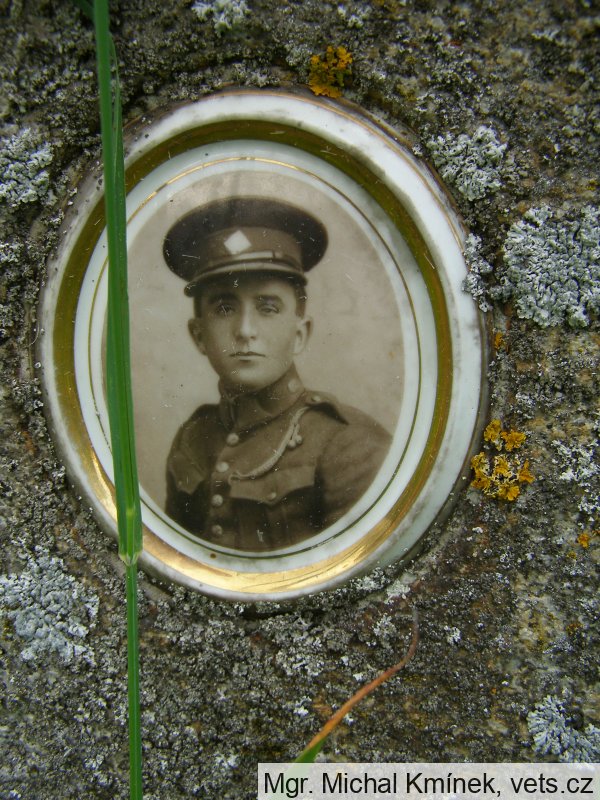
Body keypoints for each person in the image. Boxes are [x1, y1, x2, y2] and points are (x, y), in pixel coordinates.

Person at [163, 197, 391, 552]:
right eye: (224, 308)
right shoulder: (193, 438)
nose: (245, 330)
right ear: (199, 335)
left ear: (300, 334)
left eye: (268, 308)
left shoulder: (350, 444)